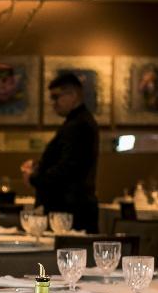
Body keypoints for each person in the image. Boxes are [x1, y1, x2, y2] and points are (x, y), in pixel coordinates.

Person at [20, 73, 99, 233]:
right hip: (70, 211)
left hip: (70, 214)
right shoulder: (77, 122)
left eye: (56, 97)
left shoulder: (79, 125)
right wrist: (38, 166)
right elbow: (66, 160)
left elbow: (68, 169)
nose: (53, 103)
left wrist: (34, 177)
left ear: (73, 95)